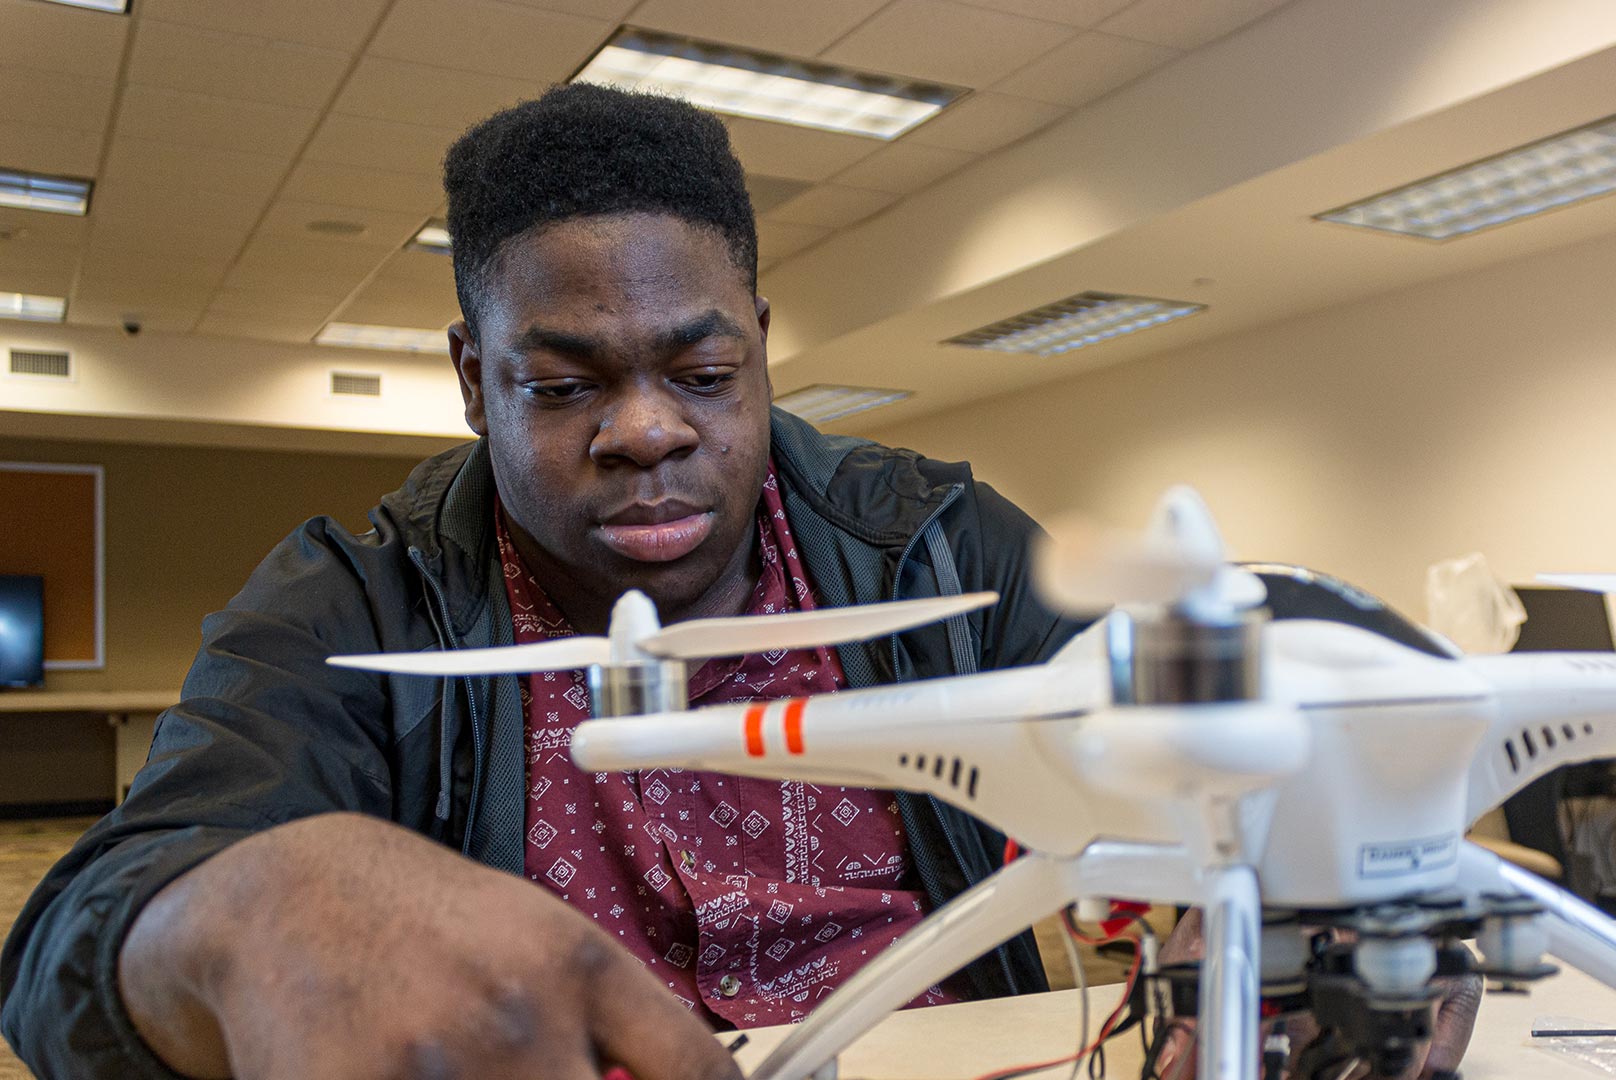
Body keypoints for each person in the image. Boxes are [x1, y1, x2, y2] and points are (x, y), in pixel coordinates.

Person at [0, 85, 1080, 1080]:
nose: (649, 431)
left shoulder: (933, 545)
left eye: (704, 378)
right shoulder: (359, 600)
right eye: (564, 386)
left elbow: (1206, 662)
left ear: (758, 341)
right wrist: (232, 922)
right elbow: (63, 951)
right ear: (477, 381)